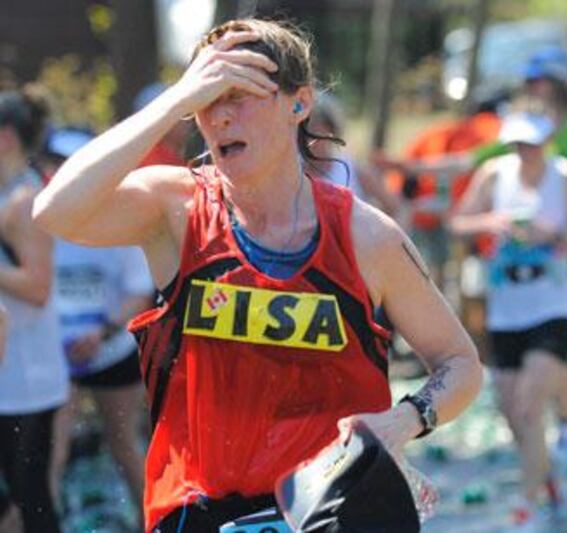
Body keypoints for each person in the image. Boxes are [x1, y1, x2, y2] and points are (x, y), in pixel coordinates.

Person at [33, 18, 482, 532]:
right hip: (198, 510)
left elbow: (461, 363)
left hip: (329, 508)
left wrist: (406, 419)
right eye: (207, 99)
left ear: (300, 103)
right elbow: (54, 211)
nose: (219, 117)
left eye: (239, 95)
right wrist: (172, 103)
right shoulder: (175, 210)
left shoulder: (365, 236)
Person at [451, 112, 567, 531]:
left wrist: (549, 235)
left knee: (529, 406)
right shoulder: (494, 174)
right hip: (507, 305)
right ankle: (550, 478)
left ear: (547, 141)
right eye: (518, 144)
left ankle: (526, 507)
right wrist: (492, 223)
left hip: (554, 303)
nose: (525, 152)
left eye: (532, 144)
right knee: (513, 413)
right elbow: (458, 223)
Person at [38, 127, 154, 525]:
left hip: (111, 348)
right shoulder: (35, 215)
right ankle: (45, 522)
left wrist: (102, 332)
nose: (56, 176)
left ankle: (152, 522)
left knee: (124, 445)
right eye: (51, 166)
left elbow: (140, 291)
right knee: (52, 449)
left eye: (67, 168)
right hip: (56, 353)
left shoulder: (118, 221)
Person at [0, 87, 69, 532]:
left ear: (6, 136)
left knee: (32, 498)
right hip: (12, 376)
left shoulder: (25, 199)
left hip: (26, 379)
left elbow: (38, 287)